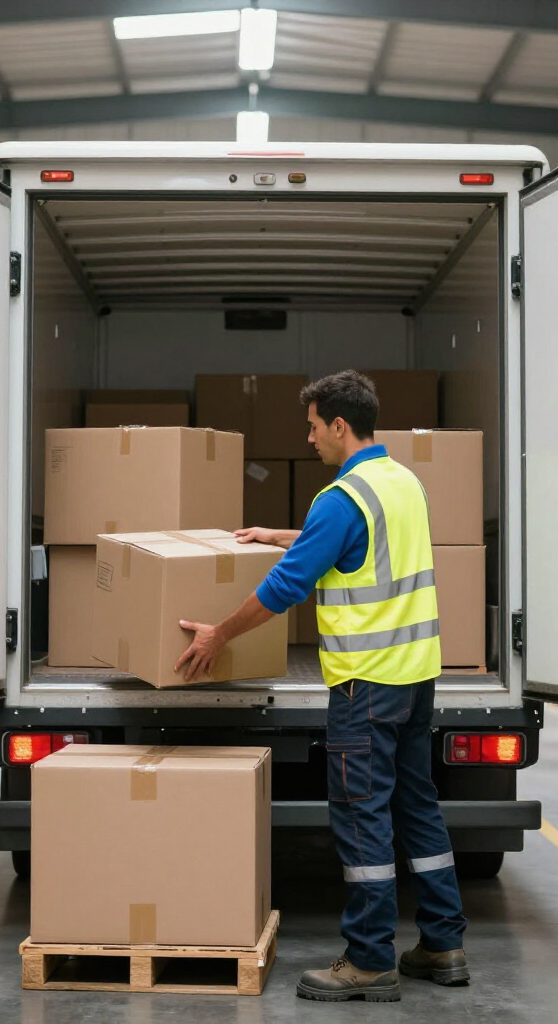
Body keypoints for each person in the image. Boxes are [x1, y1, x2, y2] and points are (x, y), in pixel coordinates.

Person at [174, 369, 468, 1003]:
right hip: (416, 677)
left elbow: (286, 587)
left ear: (339, 425)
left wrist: (220, 634)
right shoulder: (404, 482)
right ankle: (443, 944)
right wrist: (279, 536)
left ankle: (369, 960)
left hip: (366, 685)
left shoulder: (340, 498)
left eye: (312, 427)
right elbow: (355, 545)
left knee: (362, 818)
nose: (308, 439)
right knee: (417, 807)